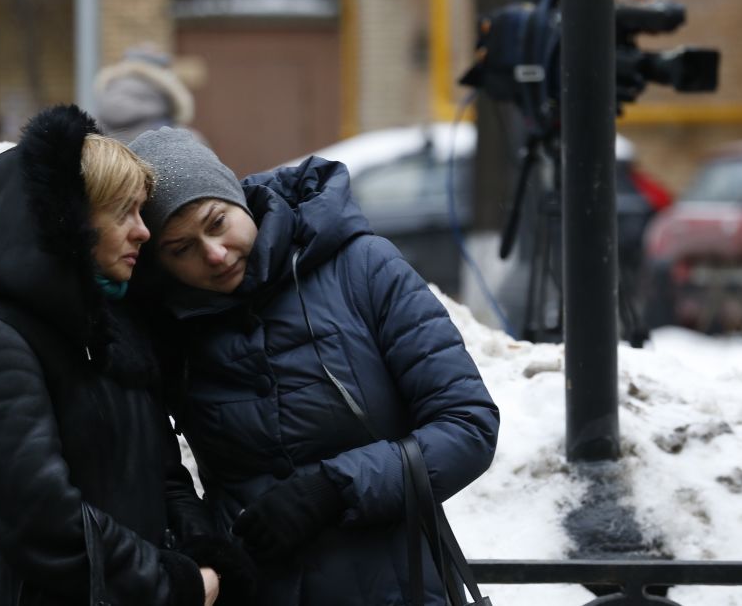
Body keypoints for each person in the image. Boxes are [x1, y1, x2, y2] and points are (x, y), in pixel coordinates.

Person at [124, 127, 501, 605]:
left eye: (217, 222)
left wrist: (332, 489)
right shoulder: (168, 325)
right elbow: (158, 474)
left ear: (238, 197)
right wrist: (210, 549)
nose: (214, 254)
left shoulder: (364, 268)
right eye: (181, 249)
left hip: (396, 587)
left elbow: (468, 426)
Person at [0, 106, 253, 606]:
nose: (144, 232)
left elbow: (165, 478)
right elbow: (43, 522)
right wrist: (171, 585)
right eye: (124, 213)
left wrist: (206, 555)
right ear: (68, 225)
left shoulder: (114, 330)